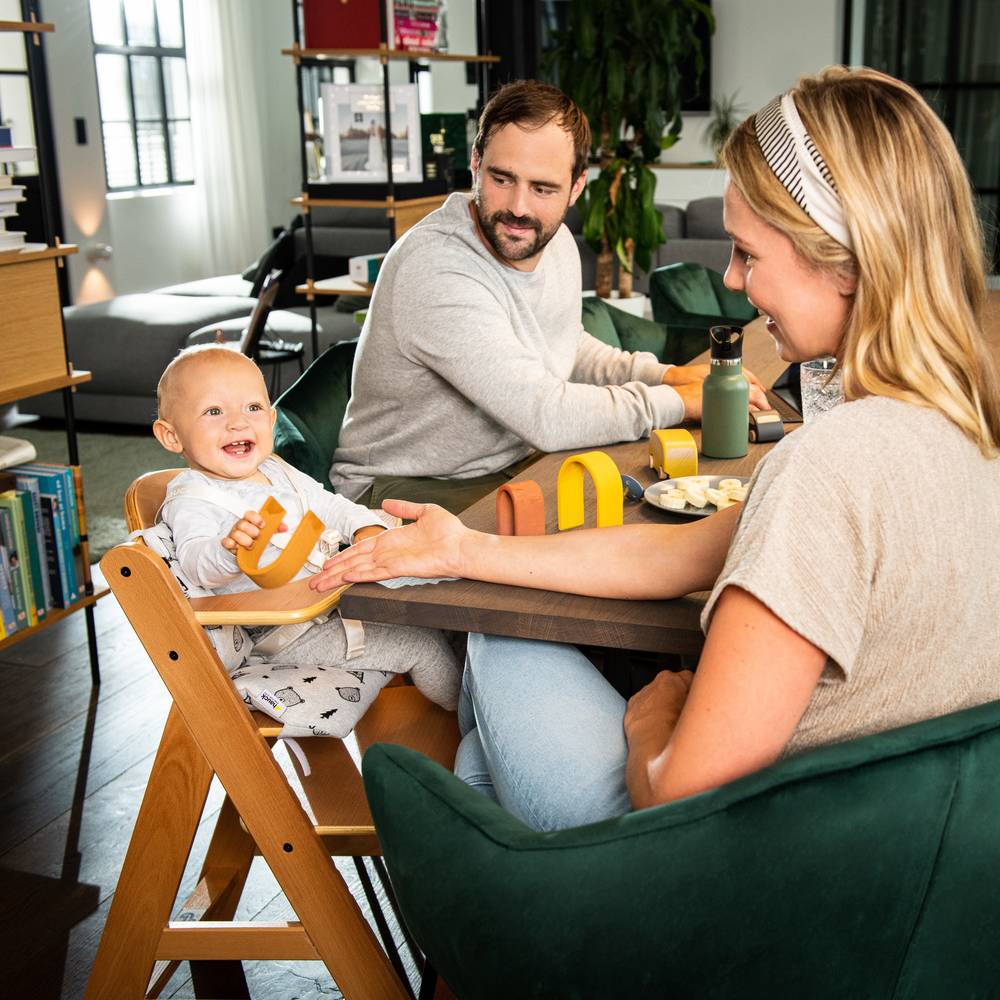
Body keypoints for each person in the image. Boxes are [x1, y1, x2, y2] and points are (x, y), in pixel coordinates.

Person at [314, 66, 1000, 829]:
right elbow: (687, 554)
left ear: (841, 260)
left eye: (747, 254)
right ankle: (497, 895)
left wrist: (656, 718)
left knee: (500, 637)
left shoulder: (829, 468)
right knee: (496, 670)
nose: (734, 283)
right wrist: (463, 552)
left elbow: (677, 790)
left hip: (697, 864)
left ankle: (509, 904)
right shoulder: (963, 425)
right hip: (867, 853)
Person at [331, 80, 767, 513]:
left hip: (511, 463)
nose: (519, 207)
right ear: (475, 162)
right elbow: (546, 415)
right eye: (502, 178)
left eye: (543, 189)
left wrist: (666, 376)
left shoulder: (550, 241)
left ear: (577, 187)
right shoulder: (436, 268)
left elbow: (565, 344)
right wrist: (677, 402)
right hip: (402, 492)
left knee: (662, 501)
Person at [152, 345, 460, 738]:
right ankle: (470, 728)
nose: (237, 424)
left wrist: (364, 529)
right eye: (214, 412)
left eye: (252, 408)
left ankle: (455, 713)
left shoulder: (275, 470)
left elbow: (330, 505)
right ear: (171, 435)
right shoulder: (193, 496)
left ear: (272, 417)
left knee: (445, 602)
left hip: (333, 601)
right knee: (422, 644)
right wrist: (229, 551)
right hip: (289, 634)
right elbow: (197, 563)